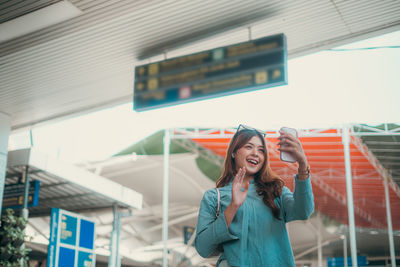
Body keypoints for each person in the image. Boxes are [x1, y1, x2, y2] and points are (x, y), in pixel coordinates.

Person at [194, 125, 314, 267]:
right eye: (249, 147)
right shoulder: (214, 197)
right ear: (234, 152)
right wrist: (233, 207)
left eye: (261, 150)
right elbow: (203, 248)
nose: (256, 153)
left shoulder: (276, 190)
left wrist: (302, 165)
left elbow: (304, 211)